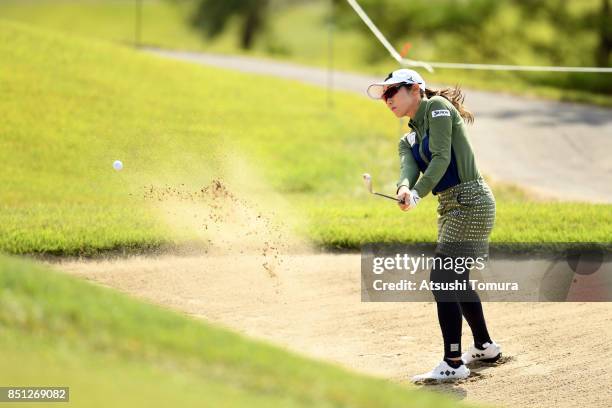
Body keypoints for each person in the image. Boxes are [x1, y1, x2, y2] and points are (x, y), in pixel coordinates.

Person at [367, 69, 502, 382]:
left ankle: (453, 362)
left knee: (443, 277)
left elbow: (441, 157)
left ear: (415, 89)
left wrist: (417, 193)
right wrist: (404, 188)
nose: (387, 100)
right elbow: (408, 167)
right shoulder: (408, 137)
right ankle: (484, 346)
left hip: (471, 201)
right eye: (384, 96)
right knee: (455, 278)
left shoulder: (438, 107)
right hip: (450, 206)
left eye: (392, 92)